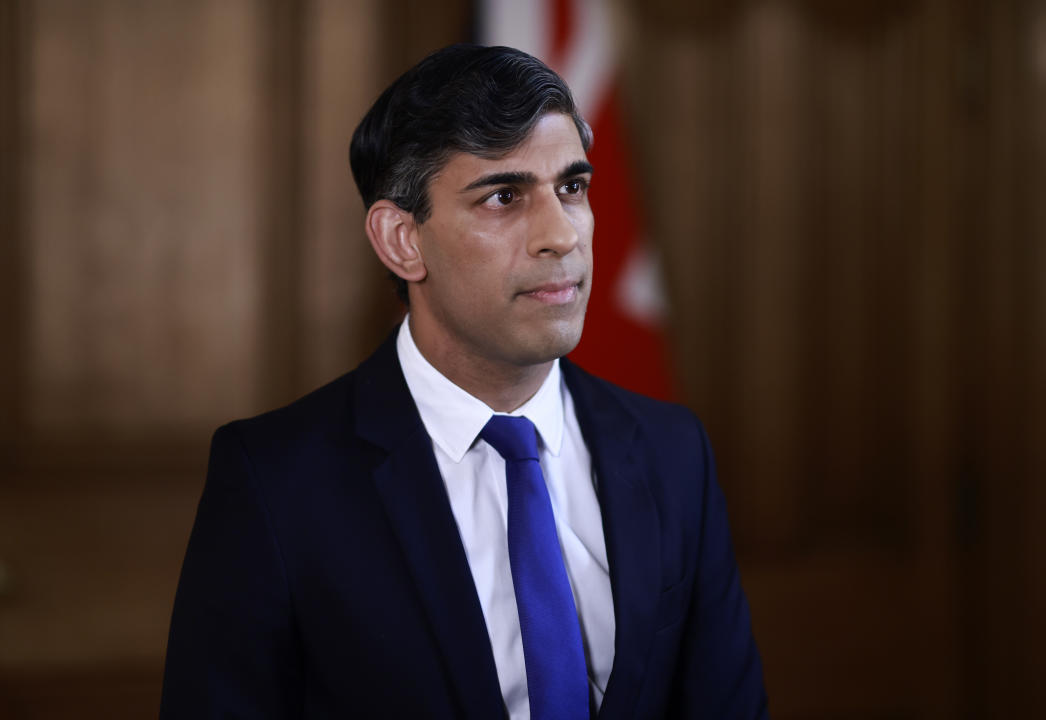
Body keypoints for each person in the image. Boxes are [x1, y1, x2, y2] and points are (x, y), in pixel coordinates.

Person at [161, 44, 768, 719]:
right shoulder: (274, 482)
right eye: (505, 196)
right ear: (401, 240)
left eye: (572, 187)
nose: (561, 235)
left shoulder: (673, 451)